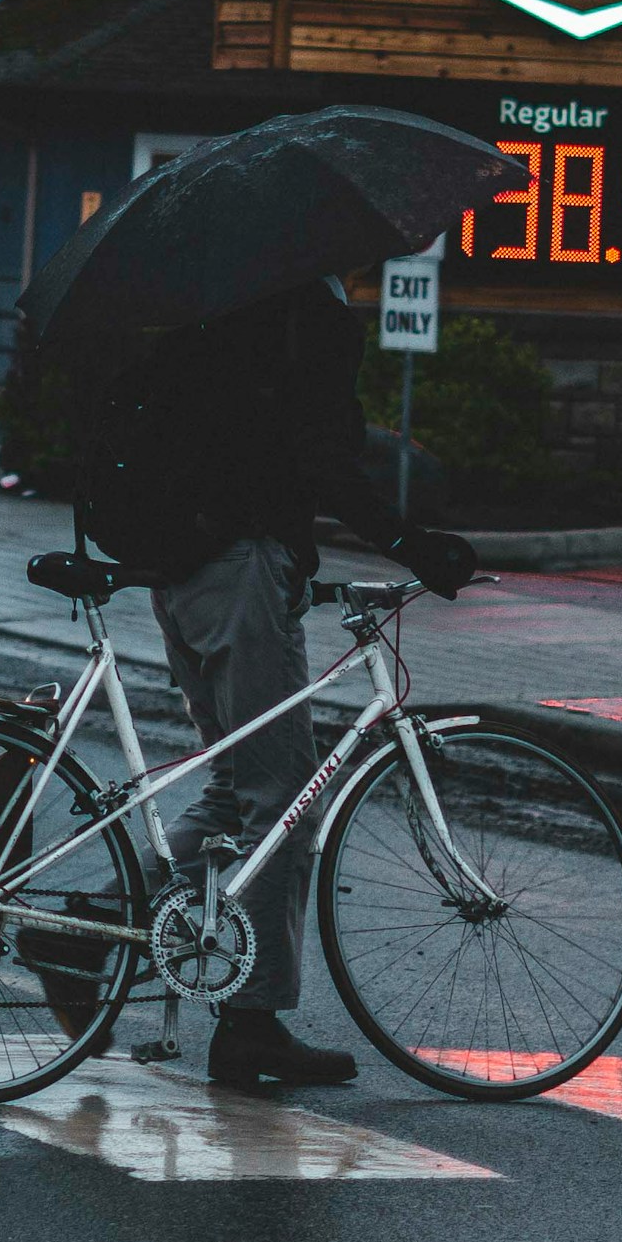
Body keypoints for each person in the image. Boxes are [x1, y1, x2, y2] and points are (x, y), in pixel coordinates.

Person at [142, 275, 475, 1094]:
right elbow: (322, 457)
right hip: (242, 570)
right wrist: (411, 543)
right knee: (284, 800)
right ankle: (251, 1025)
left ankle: (100, 933)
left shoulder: (212, 307)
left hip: (180, 572)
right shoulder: (305, 316)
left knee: (236, 789)